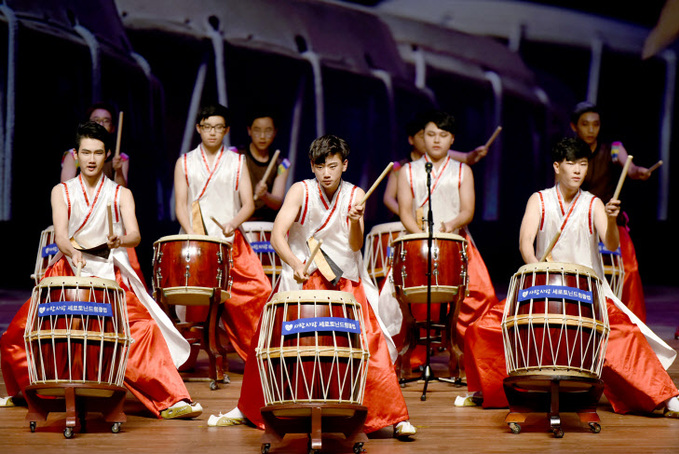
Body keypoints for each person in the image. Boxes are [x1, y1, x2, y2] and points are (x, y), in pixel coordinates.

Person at [206, 134, 417, 438]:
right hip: (301, 274)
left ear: (344, 165)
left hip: (344, 277)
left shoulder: (355, 194)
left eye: (332, 166)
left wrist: (356, 220)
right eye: (320, 167)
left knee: (369, 343)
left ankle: (393, 416)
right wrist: (294, 264)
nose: (327, 173)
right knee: (268, 339)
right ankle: (249, 408)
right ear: (312, 166)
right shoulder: (300, 190)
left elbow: (355, 245)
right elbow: (279, 234)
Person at [462, 137, 679, 417]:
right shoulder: (539, 200)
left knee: (625, 335)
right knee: (484, 328)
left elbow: (611, 244)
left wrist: (611, 221)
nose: (577, 170)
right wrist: (536, 269)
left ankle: (663, 397)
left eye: (583, 164)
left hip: (587, 295)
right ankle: (492, 389)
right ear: (557, 166)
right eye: (571, 164)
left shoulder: (593, 204)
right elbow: (525, 243)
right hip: (542, 289)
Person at [0, 121, 201, 419]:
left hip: (107, 272)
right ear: (76, 155)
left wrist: (120, 239)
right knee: (18, 333)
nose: (91, 159)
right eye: (85, 152)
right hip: (67, 271)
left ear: (107, 154)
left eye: (97, 152)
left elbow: (135, 234)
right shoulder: (62, 191)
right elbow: (61, 236)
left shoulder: (120, 194)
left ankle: (171, 399)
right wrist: (72, 253)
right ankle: (30, 391)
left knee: (142, 330)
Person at [379, 110, 499, 381]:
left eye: (443, 136)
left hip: (457, 242)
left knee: (481, 298)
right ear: (423, 137)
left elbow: (468, 210)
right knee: (402, 300)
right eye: (431, 134)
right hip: (417, 244)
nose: (436, 141)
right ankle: (411, 358)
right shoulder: (407, 171)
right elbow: (405, 211)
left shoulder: (463, 170)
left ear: (452, 139)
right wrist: (419, 233)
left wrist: (448, 226)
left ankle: (473, 360)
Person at [173, 104, 272, 365]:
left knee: (260, 290)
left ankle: (258, 353)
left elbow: (248, 204)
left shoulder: (237, 161)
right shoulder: (185, 162)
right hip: (196, 241)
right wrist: (192, 233)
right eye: (207, 127)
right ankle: (194, 351)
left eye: (218, 127)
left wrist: (234, 221)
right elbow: (181, 205)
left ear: (226, 130)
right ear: (199, 129)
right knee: (196, 302)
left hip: (230, 240)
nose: (213, 133)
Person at [570, 101, 651, 321]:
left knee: (629, 270)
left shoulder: (612, 149)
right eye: (585, 124)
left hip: (608, 219)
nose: (591, 129)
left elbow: (629, 167)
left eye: (595, 124)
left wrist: (637, 172)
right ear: (574, 126)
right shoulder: (569, 152)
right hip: (579, 219)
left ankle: (631, 325)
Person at [382, 110, 490, 218]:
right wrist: (409, 216)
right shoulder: (400, 167)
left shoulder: (442, 155)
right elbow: (388, 198)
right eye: (425, 135)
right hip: (408, 220)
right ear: (411, 139)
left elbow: (467, 158)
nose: (433, 140)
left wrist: (476, 153)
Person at [61, 102, 129, 187]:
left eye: (106, 121)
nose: (101, 124)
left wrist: (118, 171)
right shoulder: (74, 155)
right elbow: (66, 190)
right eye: (96, 120)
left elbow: (121, 193)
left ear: (113, 128)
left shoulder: (120, 157)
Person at [239, 109, 289, 222]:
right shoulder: (236, 155)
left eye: (268, 131)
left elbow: (277, 203)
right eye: (257, 130)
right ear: (249, 130)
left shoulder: (282, 164)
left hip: (266, 223)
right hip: (238, 221)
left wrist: (265, 195)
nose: (262, 136)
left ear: (275, 132)